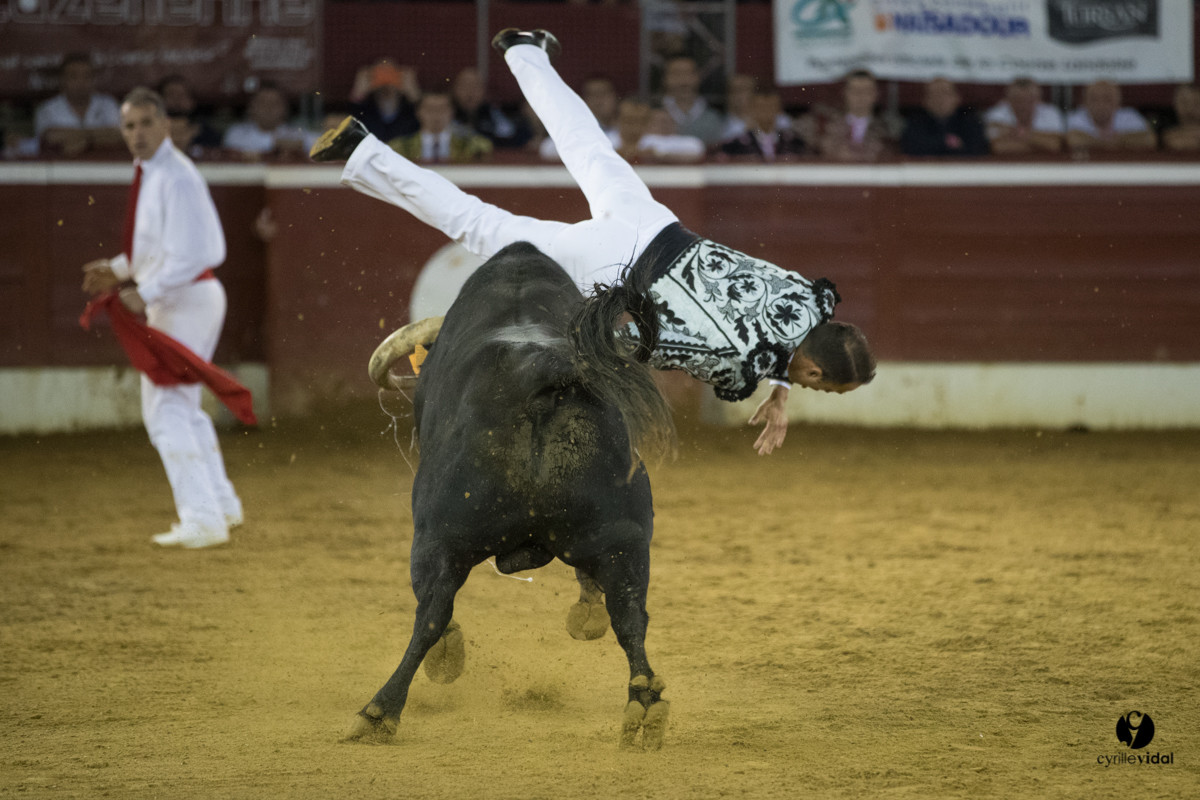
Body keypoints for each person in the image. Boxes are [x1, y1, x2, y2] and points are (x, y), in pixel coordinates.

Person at [311, 29, 874, 455]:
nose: (809, 391)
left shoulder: (809, 300)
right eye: (820, 389)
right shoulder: (741, 369)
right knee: (481, 226)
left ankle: (523, 50)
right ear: (815, 374)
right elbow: (654, 345)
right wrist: (769, 388)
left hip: (653, 224)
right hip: (618, 271)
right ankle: (363, 153)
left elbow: (784, 341)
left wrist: (781, 387)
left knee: (586, 147)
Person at [80, 87, 244, 549]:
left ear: (165, 125)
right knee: (182, 407)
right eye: (129, 126)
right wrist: (116, 270)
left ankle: (203, 518)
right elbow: (156, 248)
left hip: (184, 297)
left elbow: (196, 252)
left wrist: (145, 291)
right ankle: (222, 507)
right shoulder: (156, 173)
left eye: (146, 123)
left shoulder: (175, 177)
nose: (137, 134)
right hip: (187, 295)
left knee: (166, 408)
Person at [33, 53, 123, 157]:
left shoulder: (108, 104)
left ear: (93, 79)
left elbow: (118, 135)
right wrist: (99, 136)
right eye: (73, 76)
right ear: (62, 80)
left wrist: (76, 139)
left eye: (87, 76)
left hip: (105, 166)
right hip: (62, 168)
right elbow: (50, 138)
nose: (81, 82)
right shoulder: (47, 109)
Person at [796, 69, 896, 162]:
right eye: (854, 90)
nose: (860, 95)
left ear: (876, 94)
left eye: (866, 91)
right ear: (845, 92)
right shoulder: (823, 123)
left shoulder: (889, 130)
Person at [386, 92, 492, 163]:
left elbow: (485, 148)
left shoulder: (471, 146)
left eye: (442, 109)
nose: (436, 114)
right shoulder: (400, 147)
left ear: (452, 112)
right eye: (430, 109)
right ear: (418, 112)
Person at [222, 82, 318, 160]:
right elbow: (233, 144)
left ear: (285, 108)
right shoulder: (237, 133)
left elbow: (318, 142)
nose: (269, 108)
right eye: (263, 103)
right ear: (251, 108)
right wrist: (276, 143)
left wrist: (302, 143)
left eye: (275, 103)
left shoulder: (294, 132)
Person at [900, 78, 989, 157]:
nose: (940, 99)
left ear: (957, 98)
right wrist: (946, 143)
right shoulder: (915, 121)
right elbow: (912, 148)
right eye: (933, 94)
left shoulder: (970, 121)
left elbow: (978, 150)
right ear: (924, 101)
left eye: (945, 93)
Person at [451, 66, 531, 149]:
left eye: (475, 86)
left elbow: (513, 136)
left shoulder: (493, 114)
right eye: (464, 86)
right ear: (454, 89)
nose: (470, 92)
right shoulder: (446, 113)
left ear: (483, 91)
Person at [718, 87, 806, 162]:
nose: (766, 112)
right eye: (761, 107)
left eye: (771, 107)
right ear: (752, 110)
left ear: (779, 110)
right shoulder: (735, 146)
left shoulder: (795, 143)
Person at [1066, 80, 1157, 153]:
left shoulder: (1129, 115)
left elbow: (1150, 140)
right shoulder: (1077, 116)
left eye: (1107, 98)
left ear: (1118, 102)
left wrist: (1097, 142)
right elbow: (1073, 139)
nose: (1100, 104)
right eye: (1094, 99)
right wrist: (1116, 143)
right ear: (1085, 102)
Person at [983, 77, 1066, 155]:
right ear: (1008, 99)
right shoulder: (996, 114)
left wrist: (1015, 133)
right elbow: (999, 147)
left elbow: (1054, 145)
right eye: (1018, 99)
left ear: (1038, 99)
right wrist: (1039, 142)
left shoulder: (1050, 113)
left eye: (1029, 100)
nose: (1023, 104)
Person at [659, 55, 725, 148]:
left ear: (698, 77)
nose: (683, 81)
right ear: (665, 79)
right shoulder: (652, 113)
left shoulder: (714, 118)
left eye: (689, 73)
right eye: (677, 74)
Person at [349, 60, 421, 142]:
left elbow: (423, 122)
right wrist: (357, 96)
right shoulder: (364, 111)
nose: (386, 85)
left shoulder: (410, 111)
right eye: (380, 75)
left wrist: (415, 97)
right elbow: (351, 123)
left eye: (392, 75)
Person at [1161, 83, 1200, 152]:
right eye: (1184, 103)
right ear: (1174, 103)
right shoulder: (1165, 132)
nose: (1189, 109)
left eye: (1196, 103)